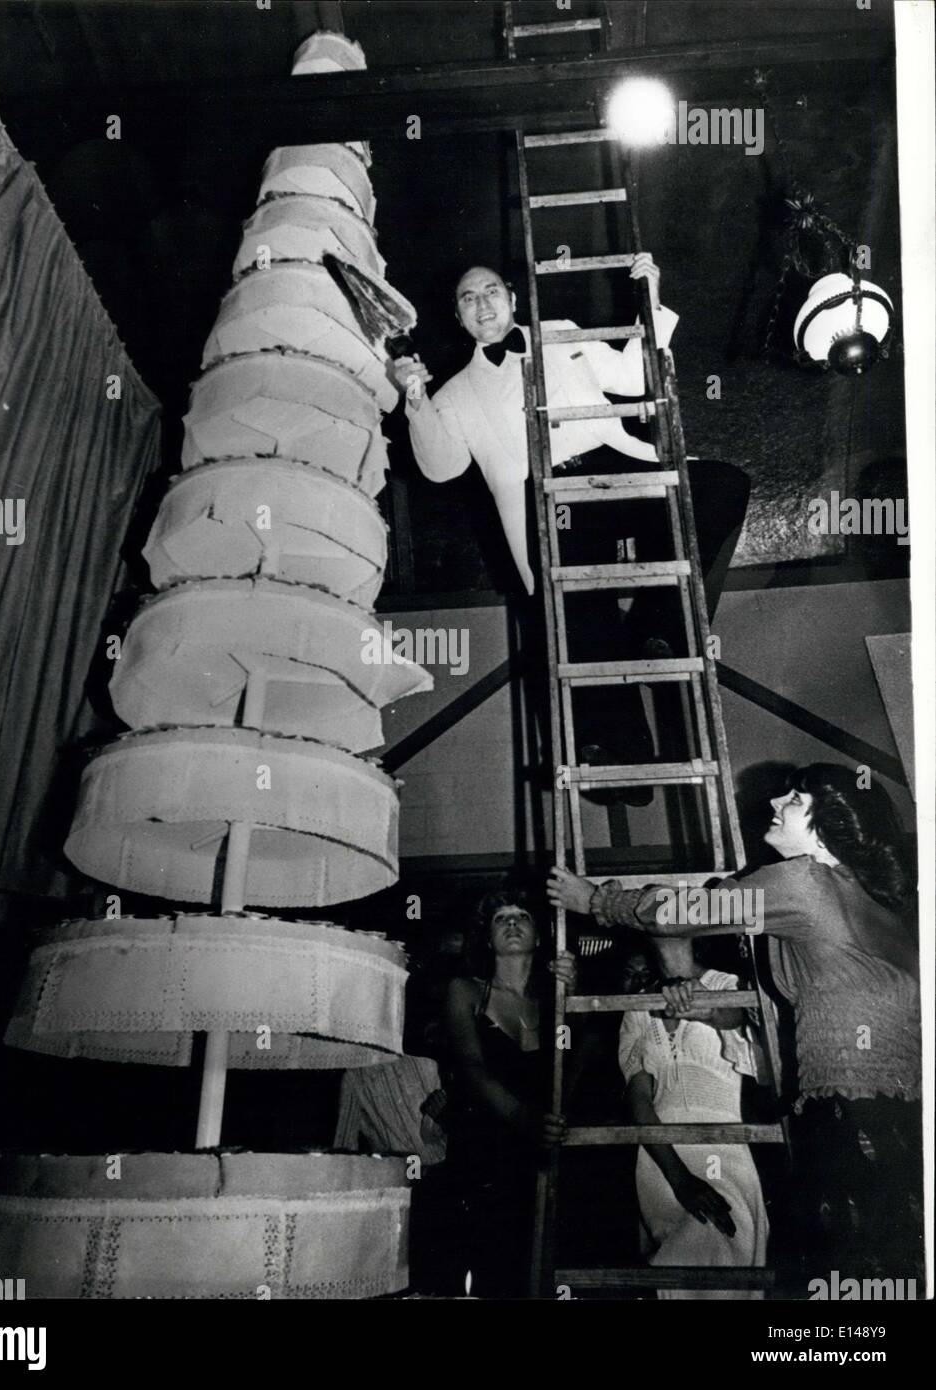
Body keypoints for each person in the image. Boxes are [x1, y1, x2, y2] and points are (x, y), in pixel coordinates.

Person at [548, 762, 922, 1280]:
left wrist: (597, 899)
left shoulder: (805, 882)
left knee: (846, 1270)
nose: (775, 803)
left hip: (848, 1117)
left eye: (794, 800)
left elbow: (672, 914)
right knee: (884, 1269)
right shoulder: (872, 902)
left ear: (827, 824)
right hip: (904, 1118)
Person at [389, 260, 750, 792]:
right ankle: (620, 764)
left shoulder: (560, 335)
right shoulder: (457, 392)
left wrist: (650, 298)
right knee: (578, 611)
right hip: (546, 501)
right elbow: (440, 467)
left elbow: (635, 376)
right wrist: (414, 398)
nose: (483, 304)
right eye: (469, 298)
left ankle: (659, 622)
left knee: (719, 488)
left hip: (613, 463)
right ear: (459, 316)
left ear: (512, 298)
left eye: (492, 291)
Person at [618, 938, 769, 1299]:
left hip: (725, 1147)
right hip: (661, 1156)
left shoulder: (728, 984)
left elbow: (743, 1033)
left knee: (721, 1248)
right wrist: (679, 1178)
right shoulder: (637, 1006)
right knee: (678, 1266)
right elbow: (639, 1099)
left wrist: (710, 1010)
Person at [443, 890, 575, 1297]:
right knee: (494, 1272)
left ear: (539, 936)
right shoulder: (465, 990)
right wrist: (522, 1117)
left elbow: (574, 1062)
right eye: (501, 918)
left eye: (522, 916)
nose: (513, 923)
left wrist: (570, 997)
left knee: (549, 1270)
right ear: (487, 937)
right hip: (486, 1152)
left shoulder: (553, 997)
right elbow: (471, 1067)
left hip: (546, 1152)